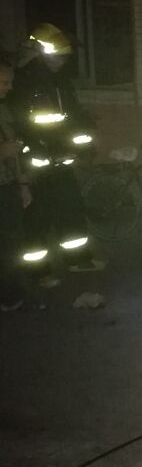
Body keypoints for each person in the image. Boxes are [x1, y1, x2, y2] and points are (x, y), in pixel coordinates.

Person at [9, 23, 100, 275]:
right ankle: (39, 272)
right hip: (37, 167)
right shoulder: (23, 81)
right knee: (38, 219)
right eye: (58, 57)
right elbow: (21, 124)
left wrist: (83, 144)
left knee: (71, 210)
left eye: (65, 57)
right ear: (41, 54)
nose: (62, 62)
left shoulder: (59, 82)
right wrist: (33, 152)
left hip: (61, 160)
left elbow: (71, 117)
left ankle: (78, 260)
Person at [0, 58, 39, 310]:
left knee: (12, 245)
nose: (9, 87)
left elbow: (13, 151)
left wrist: (23, 184)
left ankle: (12, 295)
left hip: (8, 186)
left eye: (10, 82)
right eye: (4, 82)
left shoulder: (4, 110)